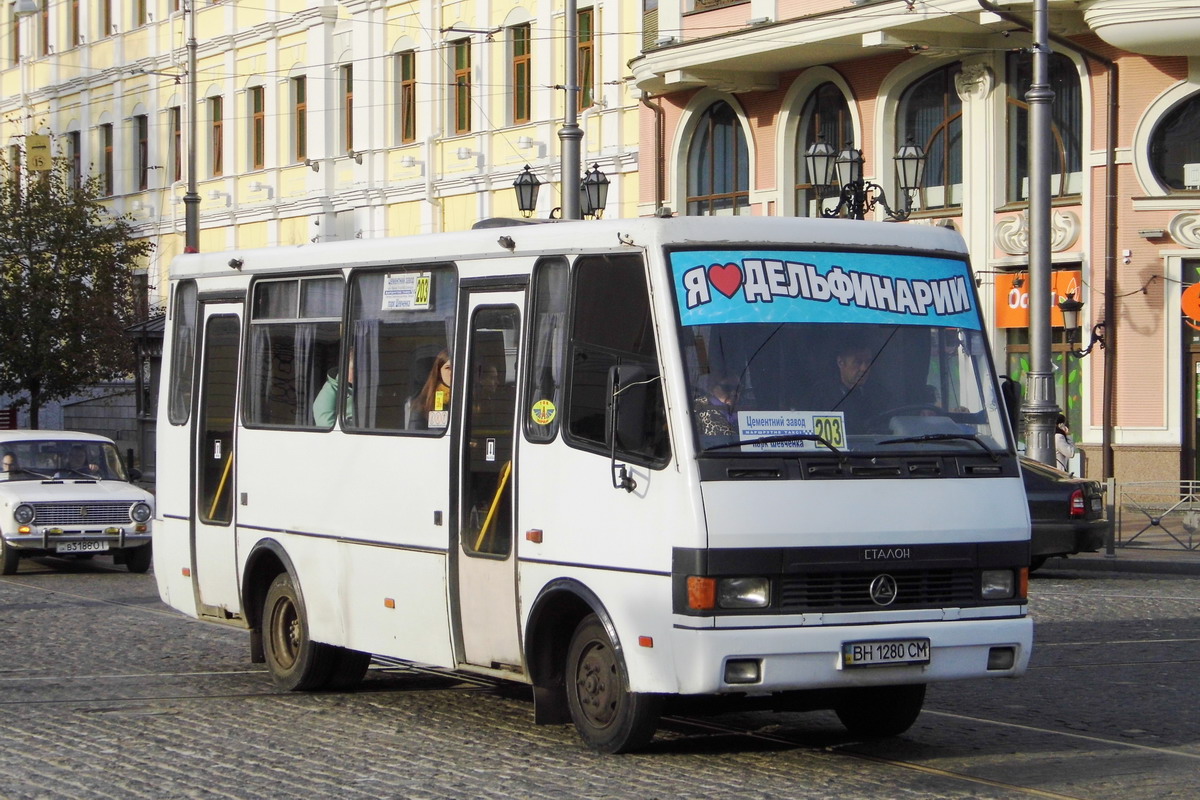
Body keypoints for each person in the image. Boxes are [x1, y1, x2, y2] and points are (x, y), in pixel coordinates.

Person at [822, 343, 885, 429]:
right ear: (841, 362)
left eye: (868, 362)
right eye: (857, 362)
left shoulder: (880, 395)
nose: (864, 368)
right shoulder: (822, 395)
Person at [410, 350, 452, 430]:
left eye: (456, 368)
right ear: (439, 371)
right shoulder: (424, 402)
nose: (452, 372)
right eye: (448, 368)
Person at [313, 348, 354, 427]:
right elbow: (325, 424)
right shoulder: (330, 390)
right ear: (345, 367)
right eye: (354, 369)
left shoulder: (370, 390)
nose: (359, 373)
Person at [693, 373, 740, 438]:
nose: (734, 392)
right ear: (712, 388)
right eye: (727, 388)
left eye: (738, 388)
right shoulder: (699, 408)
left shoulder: (748, 406)